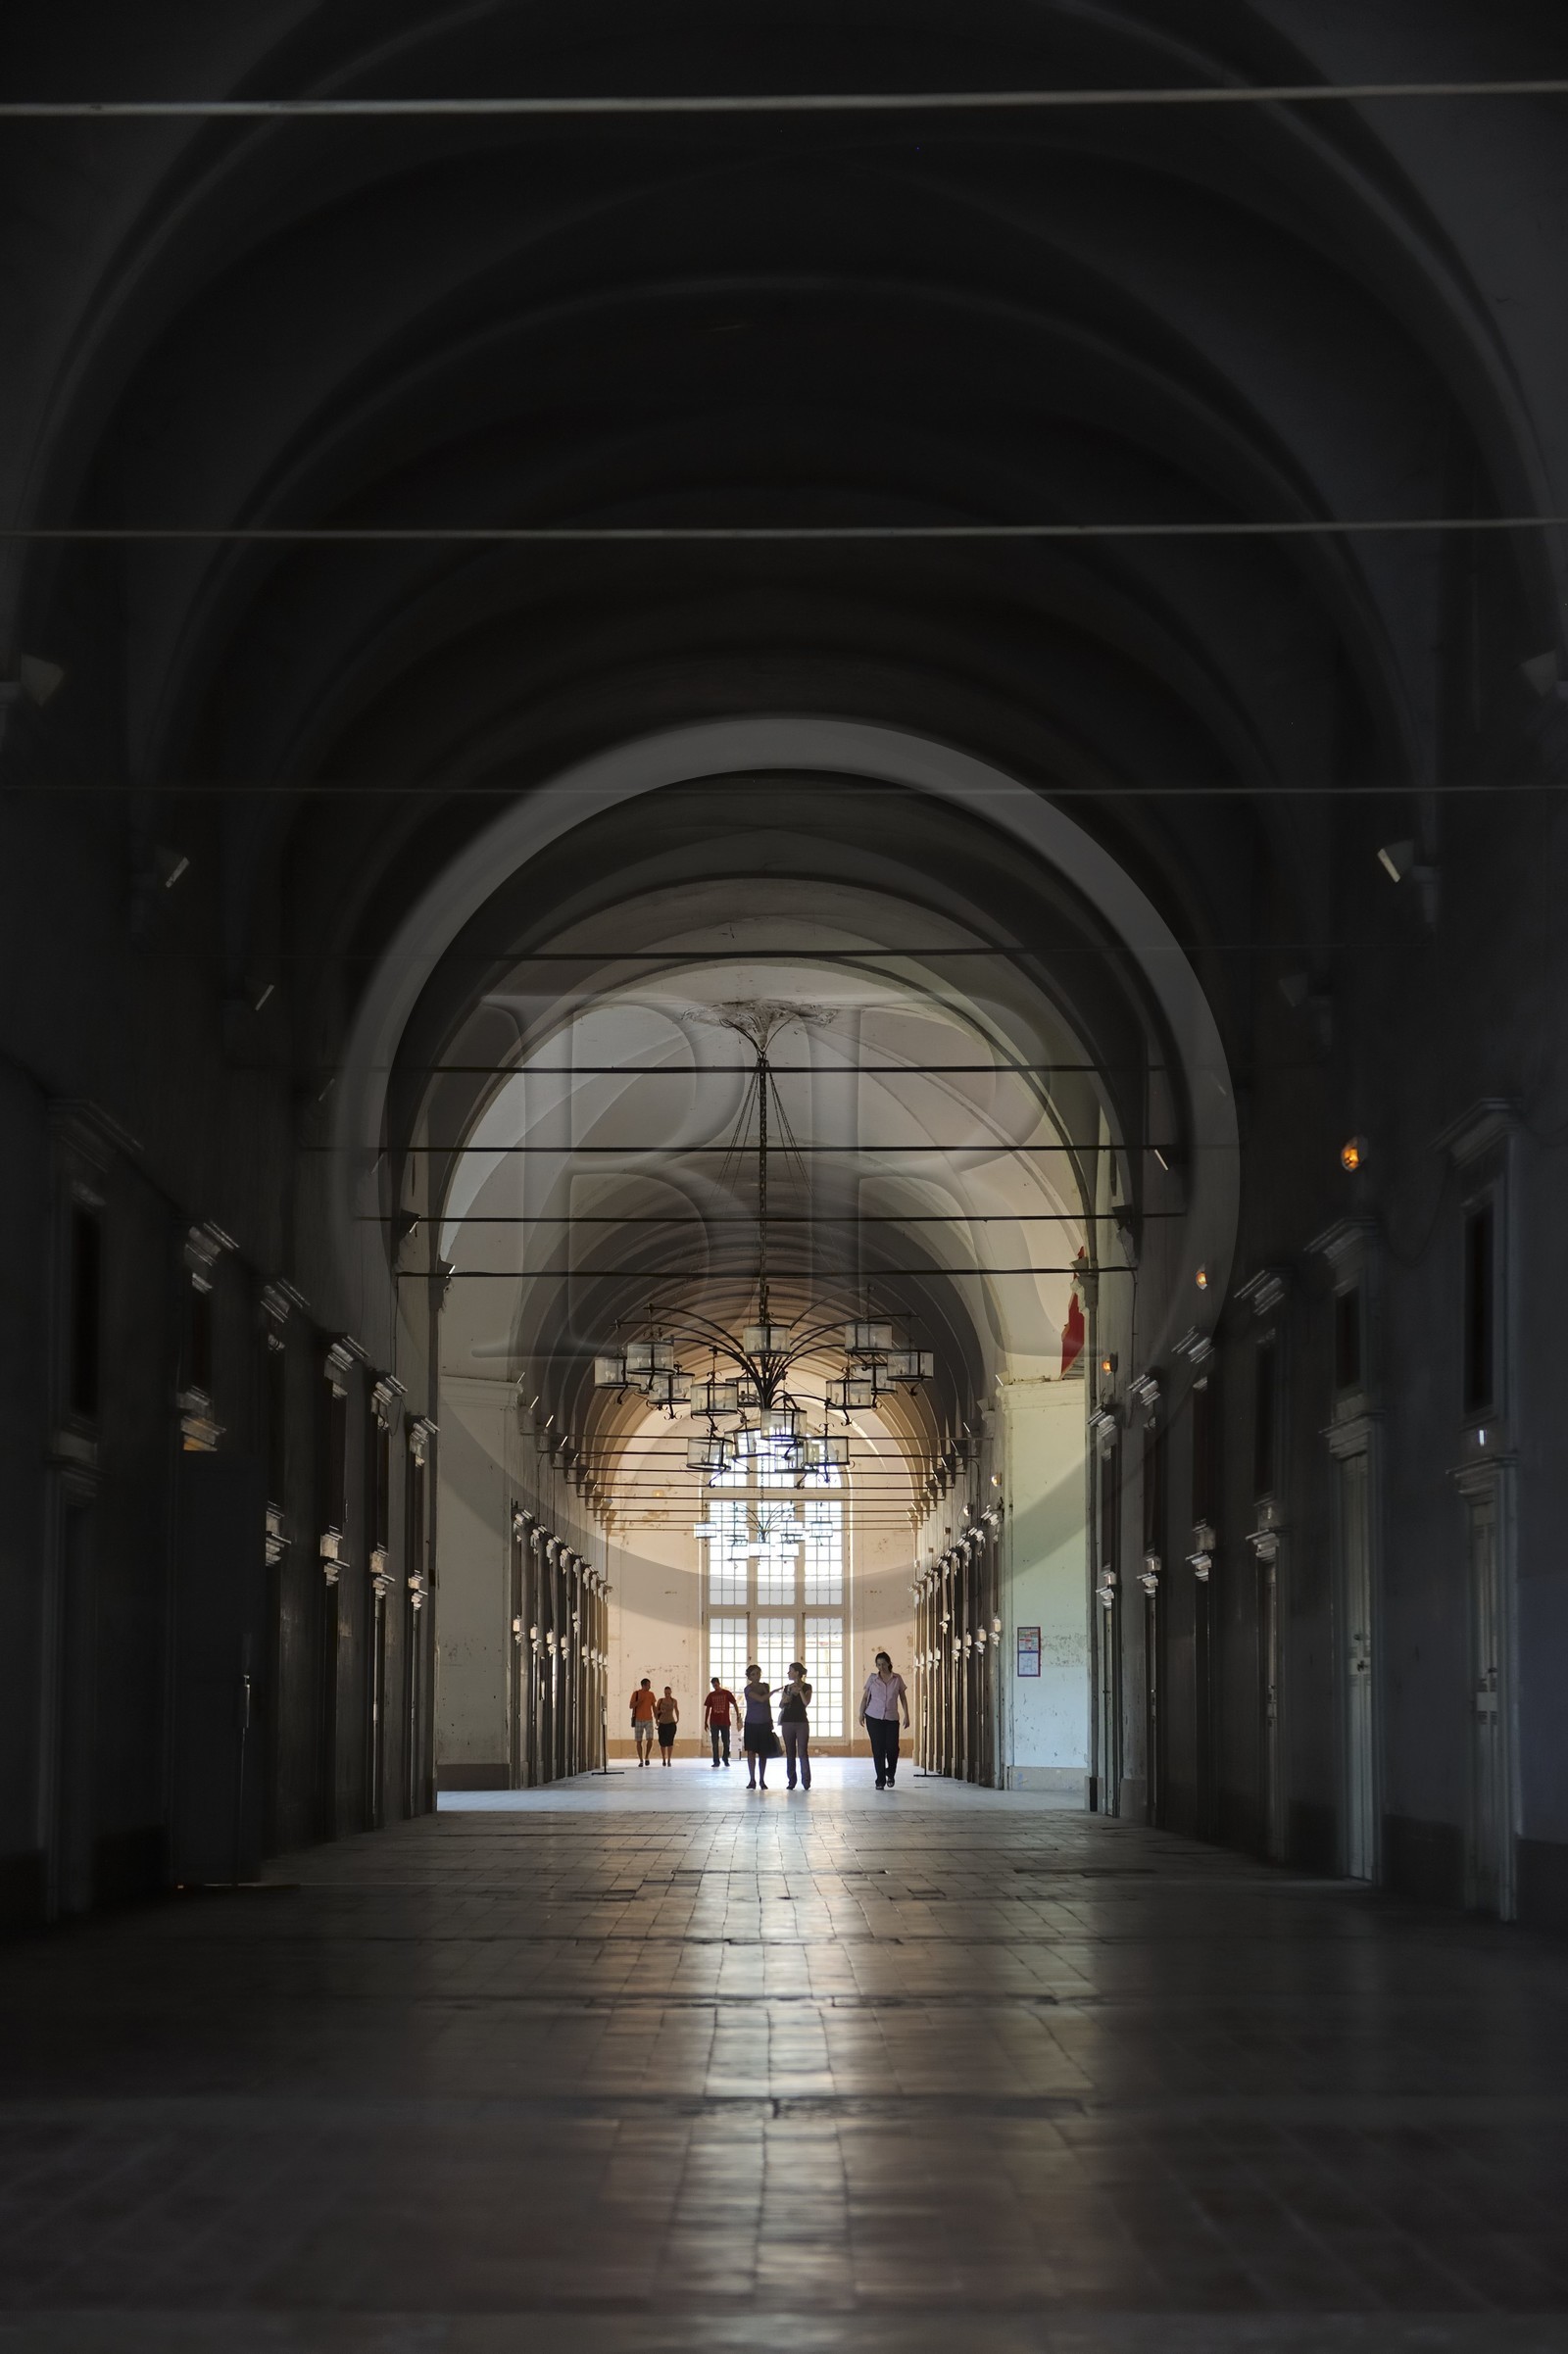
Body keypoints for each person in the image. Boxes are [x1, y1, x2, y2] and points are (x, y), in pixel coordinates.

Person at [858, 1650, 910, 1789]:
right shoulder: (872, 1679)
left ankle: (890, 1773)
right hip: (873, 1717)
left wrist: (907, 1715)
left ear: (889, 1663)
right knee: (878, 1749)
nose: (881, 1667)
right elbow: (865, 1697)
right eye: (878, 1664)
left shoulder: (897, 1679)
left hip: (891, 1718)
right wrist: (861, 1713)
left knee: (893, 1748)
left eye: (883, 1664)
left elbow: (903, 1698)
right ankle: (880, 1780)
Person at [778, 1660, 812, 1790]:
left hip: (801, 1722)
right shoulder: (787, 1687)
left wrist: (800, 1690)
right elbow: (781, 1705)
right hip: (787, 1721)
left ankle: (806, 1780)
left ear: (797, 1673)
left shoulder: (807, 1687)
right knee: (790, 1751)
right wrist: (787, 1696)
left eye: (790, 1671)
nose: (788, 1673)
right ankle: (791, 1780)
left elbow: (806, 1702)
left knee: (802, 1751)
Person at [742, 1665, 774, 1790]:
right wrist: (774, 1692)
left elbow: (767, 1705)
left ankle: (762, 1779)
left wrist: (770, 1720)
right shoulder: (748, 1689)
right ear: (749, 1677)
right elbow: (761, 1699)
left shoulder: (765, 1686)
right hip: (751, 1723)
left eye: (758, 1673)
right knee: (751, 1752)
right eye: (754, 1674)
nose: (757, 1676)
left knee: (763, 1753)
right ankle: (752, 1779)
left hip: (764, 1722)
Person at [703, 1675, 738, 1767]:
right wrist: (705, 1721)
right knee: (715, 1742)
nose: (715, 1687)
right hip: (714, 1722)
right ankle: (716, 1761)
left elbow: (734, 1703)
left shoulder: (727, 1693)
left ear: (719, 1683)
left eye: (716, 1685)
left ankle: (725, 1758)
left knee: (726, 1742)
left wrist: (738, 1714)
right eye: (713, 1685)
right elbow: (707, 1709)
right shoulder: (711, 1695)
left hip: (725, 1721)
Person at [629, 1677, 657, 1766]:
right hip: (638, 1719)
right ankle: (641, 1760)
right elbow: (631, 1706)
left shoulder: (651, 1694)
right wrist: (639, 1701)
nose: (650, 1687)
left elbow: (654, 1707)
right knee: (638, 1741)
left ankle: (647, 1756)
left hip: (649, 1719)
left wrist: (657, 1718)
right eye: (648, 1685)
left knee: (650, 1738)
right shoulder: (636, 1694)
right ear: (644, 1685)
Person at [655, 1684, 679, 1767]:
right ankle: (663, 1759)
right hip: (662, 1723)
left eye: (669, 1693)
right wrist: (657, 1719)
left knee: (670, 1742)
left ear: (671, 1692)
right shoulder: (660, 1701)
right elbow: (656, 1711)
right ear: (664, 1693)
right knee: (662, 1742)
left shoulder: (674, 1701)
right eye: (666, 1693)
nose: (667, 1695)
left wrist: (677, 1719)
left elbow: (676, 1710)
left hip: (671, 1723)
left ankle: (669, 1760)